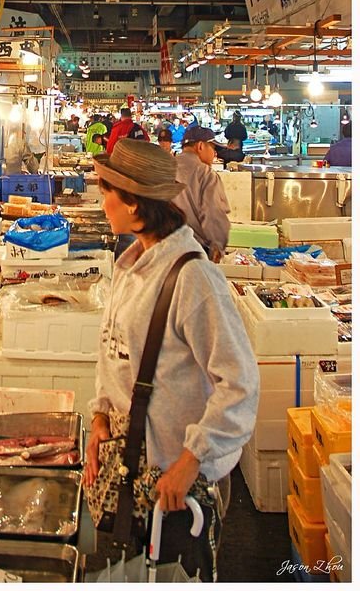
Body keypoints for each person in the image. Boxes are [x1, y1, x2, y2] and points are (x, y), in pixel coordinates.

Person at [84, 140, 259, 581]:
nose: (100, 200)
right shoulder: (131, 265)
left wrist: (191, 459)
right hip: (129, 464)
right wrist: (101, 414)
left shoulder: (195, 280)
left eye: (108, 192)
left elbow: (239, 383)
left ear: (138, 208)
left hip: (173, 483)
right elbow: (117, 352)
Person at [173, 127, 231, 261]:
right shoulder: (206, 174)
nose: (214, 154)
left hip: (161, 249)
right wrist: (218, 246)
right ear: (200, 146)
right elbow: (213, 213)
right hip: (194, 251)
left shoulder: (164, 167)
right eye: (212, 148)